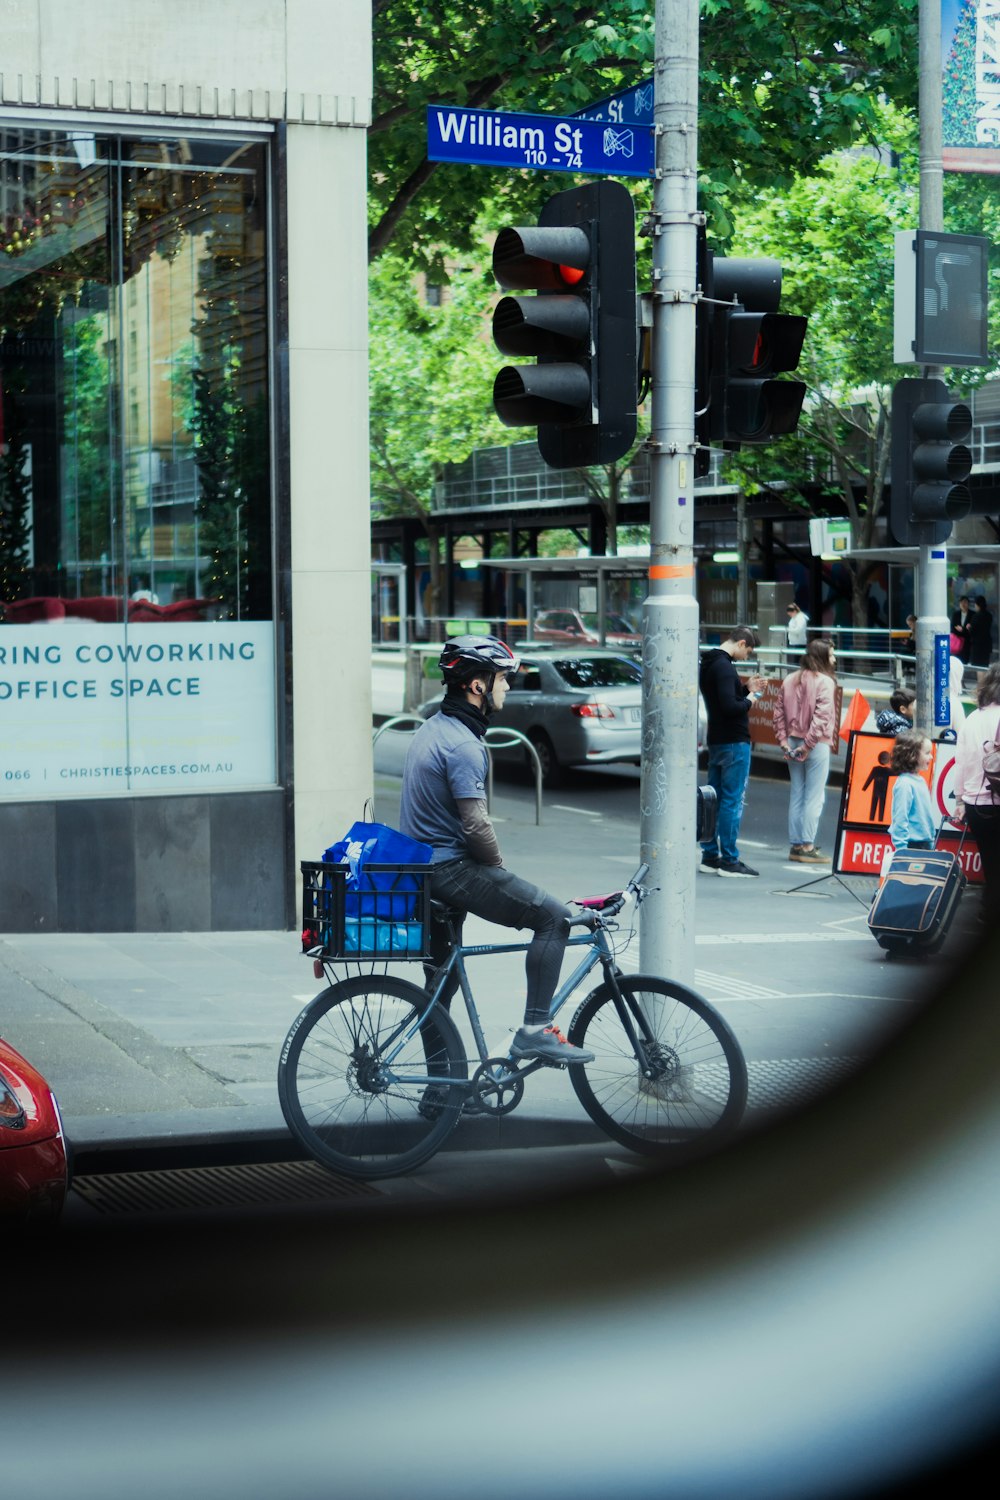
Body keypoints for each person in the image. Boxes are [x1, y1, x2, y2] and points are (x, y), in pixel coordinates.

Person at [399, 634, 592, 1064]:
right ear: (477, 686)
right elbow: (476, 824)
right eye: (503, 678)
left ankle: (439, 1089)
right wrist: (498, 869)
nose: (508, 686)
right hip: (450, 870)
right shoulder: (465, 745)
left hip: (421, 870)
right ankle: (535, 1030)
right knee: (553, 918)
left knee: (440, 986)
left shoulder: (434, 727)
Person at [699, 626, 766, 878]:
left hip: (716, 739)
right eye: (748, 650)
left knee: (712, 799)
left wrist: (744, 687)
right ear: (740, 643)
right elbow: (730, 707)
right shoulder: (726, 667)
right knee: (731, 800)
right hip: (734, 741)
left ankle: (709, 855)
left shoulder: (709, 663)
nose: (747, 656)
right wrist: (752, 697)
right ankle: (729, 859)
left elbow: (721, 699)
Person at [772, 638, 838, 864]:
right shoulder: (826, 682)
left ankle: (796, 845)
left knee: (797, 793)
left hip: (791, 741)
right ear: (821, 657)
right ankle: (808, 845)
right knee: (814, 796)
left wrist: (783, 741)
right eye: (831, 655)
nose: (834, 659)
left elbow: (778, 712)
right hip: (816, 744)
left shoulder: (789, 679)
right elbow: (822, 718)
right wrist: (808, 746)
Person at [953, 661, 1000, 923]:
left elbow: (961, 762)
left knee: (990, 860)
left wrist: (960, 799)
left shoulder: (973, 718)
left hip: (975, 803)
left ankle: (988, 910)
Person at [888, 732, 936, 851]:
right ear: (912, 755)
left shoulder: (920, 780)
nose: (931, 757)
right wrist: (902, 849)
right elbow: (900, 818)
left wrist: (930, 841)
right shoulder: (905, 784)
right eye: (927, 753)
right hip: (910, 844)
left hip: (923, 843)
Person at [967, 595, 993, 672]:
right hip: (987, 644)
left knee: (978, 667)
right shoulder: (989, 615)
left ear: (977, 605)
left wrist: (969, 627)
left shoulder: (976, 616)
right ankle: (984, 683)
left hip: (978, 645)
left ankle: (981, 683)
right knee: (985, 666)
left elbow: (972, 631)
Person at [951, 595, 973, 664]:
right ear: (959, 604)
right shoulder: (955, 614)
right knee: (957, 661)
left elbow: (972, 630)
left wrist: (962, 630)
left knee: (965, 661)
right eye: (961, 602)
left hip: (967, 643)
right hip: (957, 643)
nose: (963, 604)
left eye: (965, 602)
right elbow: (953, 628)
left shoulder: (973, 614)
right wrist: (964, 630)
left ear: (968, 604)